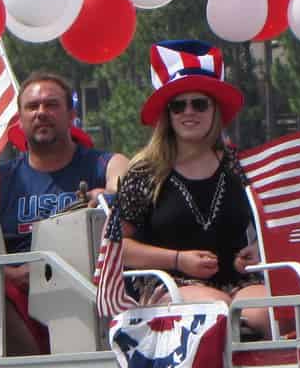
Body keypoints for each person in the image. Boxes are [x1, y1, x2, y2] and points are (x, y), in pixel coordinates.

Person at [110, 40, 273, 337]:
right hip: (169, 282)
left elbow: (269, 223)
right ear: (167, 115)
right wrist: (178, 259)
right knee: (217, 315)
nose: (189, 112)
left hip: (238, 280)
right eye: (178, 105)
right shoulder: (144, 172)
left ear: (214, 110)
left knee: (266, 314)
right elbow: (118, 249)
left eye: (199, 103)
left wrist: (258, 250)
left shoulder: (239, 165)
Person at [0, 71, 130, 355]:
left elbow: (126, 193)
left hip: (90, 290)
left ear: (71, 115)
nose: (41, 113)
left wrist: (107, 195)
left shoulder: (107, 164)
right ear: (20, 119)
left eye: (51, 105)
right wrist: (14, 275)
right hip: (20, 300)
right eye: (32, 107)